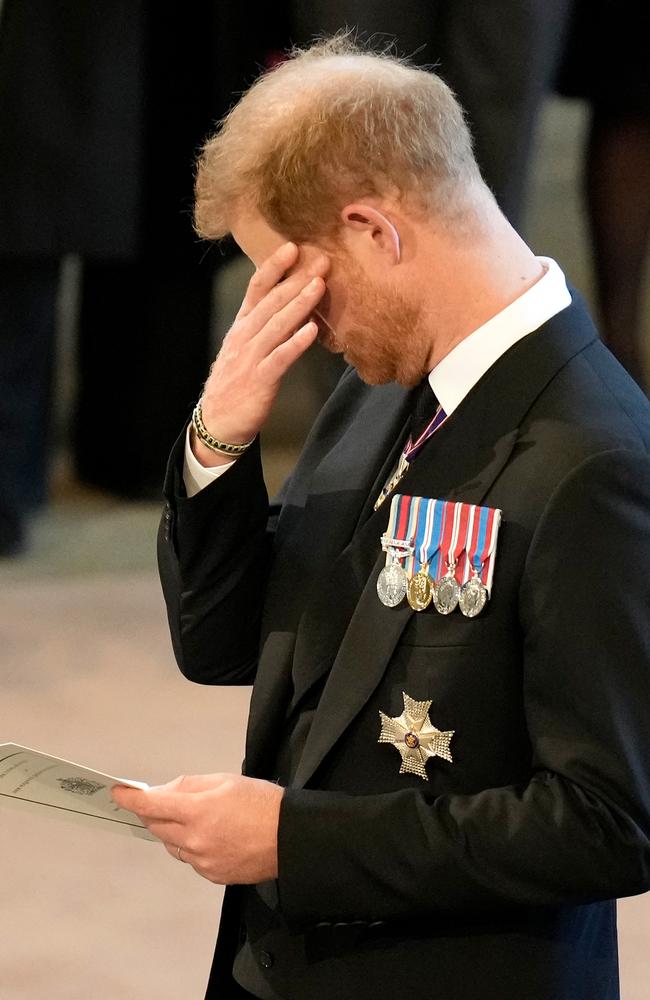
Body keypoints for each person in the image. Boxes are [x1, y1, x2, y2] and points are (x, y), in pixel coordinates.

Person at [113, 37, 650, 1000]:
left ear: (372, 230)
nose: (297, 320)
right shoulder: (382, 388)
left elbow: (613, 821)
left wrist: (295, 839)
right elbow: (225, 643)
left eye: (294, 279)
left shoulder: (595, 461)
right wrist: (217, 442)